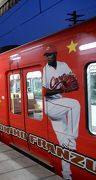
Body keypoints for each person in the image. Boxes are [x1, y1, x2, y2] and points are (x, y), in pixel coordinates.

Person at [42, 45, 80, 180]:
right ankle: (72, 137)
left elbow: (74, 83)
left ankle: (66, 174)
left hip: (60, 104)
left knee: (64, 143)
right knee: (75, 105)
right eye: (46, 55)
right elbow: (46, 93)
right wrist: (62, 89)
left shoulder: (63, 65)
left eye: (50, 54)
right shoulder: (45, 69)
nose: (48, 57)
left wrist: (71, 84)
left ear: (55, 54)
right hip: (50, 105)